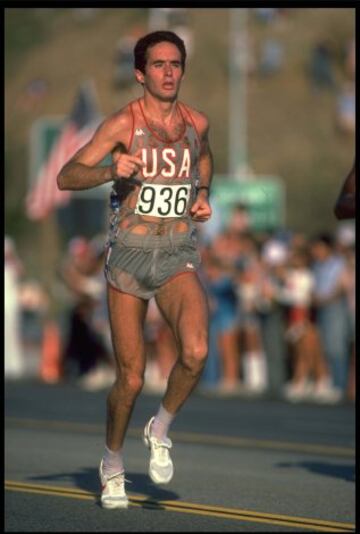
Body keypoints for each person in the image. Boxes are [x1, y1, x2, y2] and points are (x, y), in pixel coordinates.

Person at [57, 30, 213, 509]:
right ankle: (112, 462)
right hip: (127, 257)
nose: (169, 73)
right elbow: (67, 175)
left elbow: (204, 159)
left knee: (196, 351)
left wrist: (203, 193)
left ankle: (160, 427)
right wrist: (111, 169)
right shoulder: (123, 122)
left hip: (175, 253)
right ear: (141, 74)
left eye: (176, 64)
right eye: (159, 65)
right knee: (130, 378)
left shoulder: (197, 123)